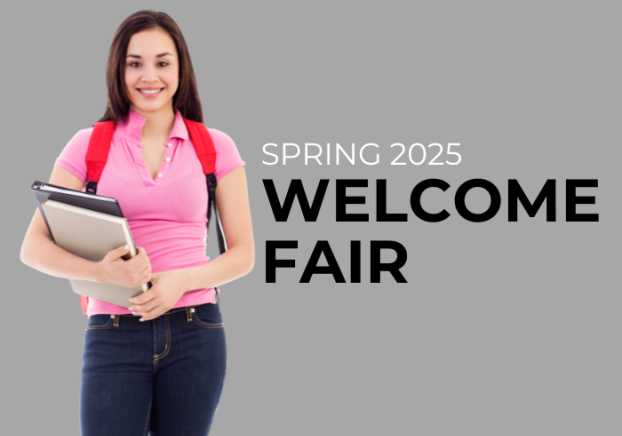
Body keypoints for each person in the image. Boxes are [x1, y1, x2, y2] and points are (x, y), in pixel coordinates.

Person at [20, 10, 254, 436]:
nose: (150, 76)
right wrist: (100, 273)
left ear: (181, 69)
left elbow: (244, 255)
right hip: (113, 329)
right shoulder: (88, 145)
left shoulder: (215, 146)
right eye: (135, 63)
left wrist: (179, 282)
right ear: (118, 69)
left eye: (163, 62)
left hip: (195, 329)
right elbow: (33, 247)